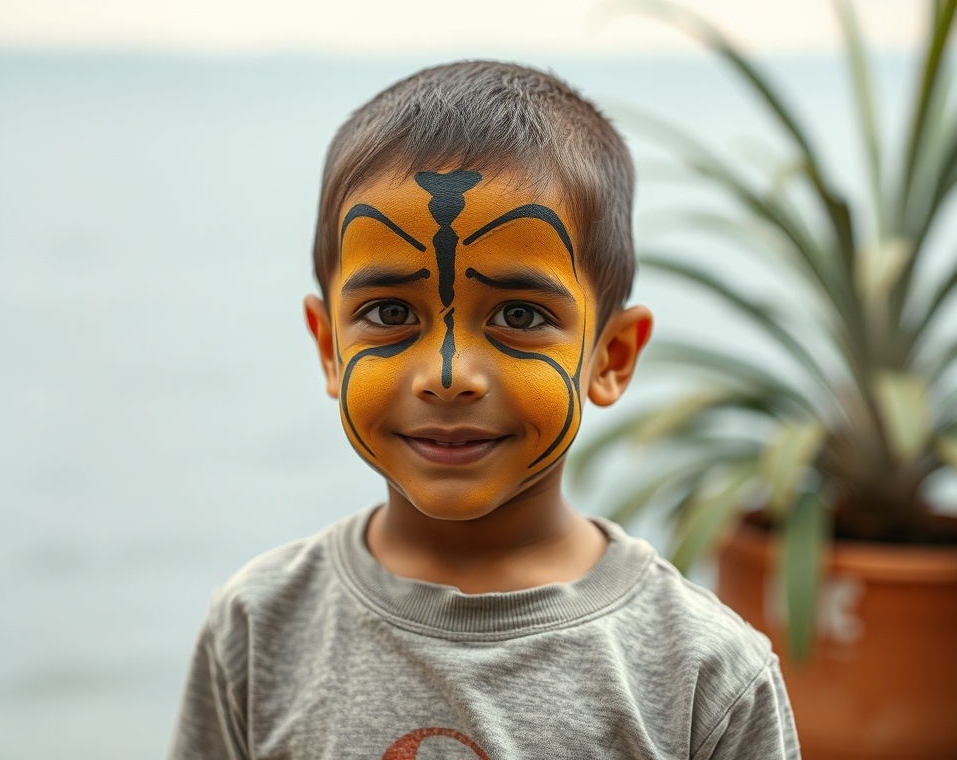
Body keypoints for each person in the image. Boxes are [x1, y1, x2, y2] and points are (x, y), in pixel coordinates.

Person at [167, 60, 800, 759]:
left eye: (521, 315)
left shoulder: (707, 675)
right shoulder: (259, 626)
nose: (450, 375)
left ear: (610, 357)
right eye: (387, 312)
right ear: (328, 347)